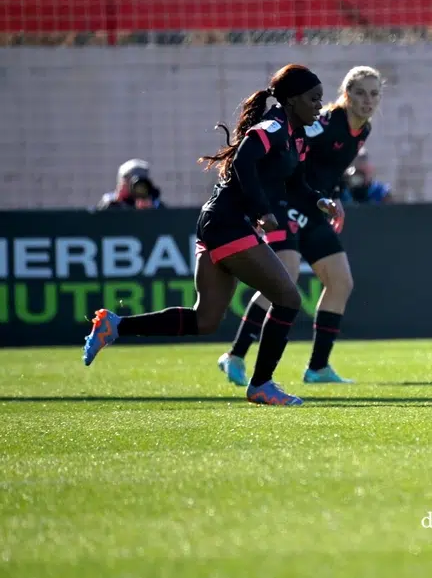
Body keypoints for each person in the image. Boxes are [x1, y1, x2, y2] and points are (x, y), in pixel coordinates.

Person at [82, 64, 340, 406]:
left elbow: (294, 185)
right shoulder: (274, 126)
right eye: (314, 98)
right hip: (228, 222)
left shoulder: (295, 135)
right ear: (292, 100)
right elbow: (243, 161)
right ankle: (261, 385)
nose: (320, 105)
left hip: (220, 222)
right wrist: (262, 210)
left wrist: (320, 200)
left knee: (205, 320)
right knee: (289, 299)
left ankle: (114, 326)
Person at [218, 66, 382, 386]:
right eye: (360, 92)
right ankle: (235, 355)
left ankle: (318, 367)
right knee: (285, 277)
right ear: (346, 94)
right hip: (286, 204)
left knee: (340, 282)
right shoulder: (325, 122)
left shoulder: (364, 129)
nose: (368, 100)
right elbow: (291, 146)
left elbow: (330, 170)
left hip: (314, 208)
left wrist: (334, 197)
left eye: (374, 94)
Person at [96, 158, 165, 210]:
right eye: (128, 181)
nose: (138, 188)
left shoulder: (154, 204)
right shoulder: (110, 203)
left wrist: (149, 211)